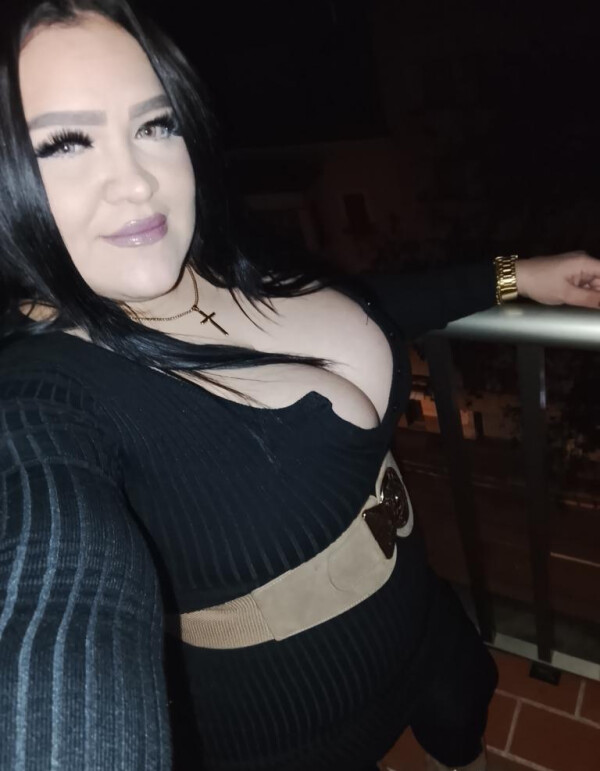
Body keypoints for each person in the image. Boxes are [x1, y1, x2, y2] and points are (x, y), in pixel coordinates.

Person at [2, 2, 600, 770]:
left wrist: (515, 278)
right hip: (295, 726)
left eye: (155, 124)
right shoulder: (41, 391)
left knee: (463, 732)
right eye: (65, 142)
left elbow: (364, 308)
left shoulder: (222, 259)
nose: (136, 182)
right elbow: (50, 602)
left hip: (425, 621)